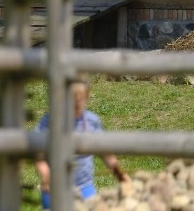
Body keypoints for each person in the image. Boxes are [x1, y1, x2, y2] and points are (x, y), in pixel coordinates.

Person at [35, 76, 130, 209]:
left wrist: (118, 172)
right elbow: (39, 155)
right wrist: (46, 174)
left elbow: (105, 152)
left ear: (87, 97)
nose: (72, 111)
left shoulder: (91, 122)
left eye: (76, 106)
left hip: (84, 187)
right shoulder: (50, 122)